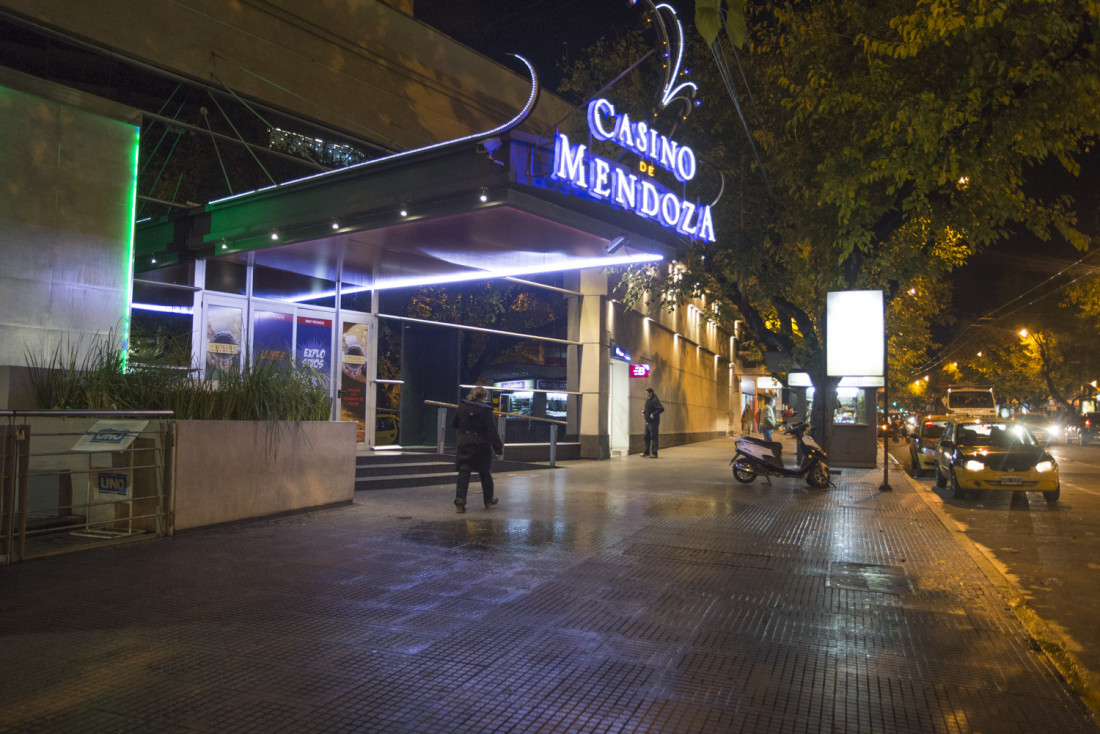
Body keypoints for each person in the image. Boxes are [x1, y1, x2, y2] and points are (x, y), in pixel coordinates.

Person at [452, 386, 503, 513]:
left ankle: (460, 502)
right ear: (483, 397)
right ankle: (488, 499)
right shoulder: (486, 410)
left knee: (464, 471)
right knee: (484, 472)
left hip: (465, 443)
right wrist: (498, 449)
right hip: (481, 445)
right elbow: (492, 431)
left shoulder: (462, 407)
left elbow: (454, 424)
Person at [642, 387, 665, 458]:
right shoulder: (648, 399)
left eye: (647, 393)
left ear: (650, 393)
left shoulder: (654, 400)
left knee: (654, 437)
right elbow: (649, 408)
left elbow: (661, 409)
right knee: (646, 437)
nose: (646, 395)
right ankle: (647, 452)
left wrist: (654, 414)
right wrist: (644, 412)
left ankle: (654, 453)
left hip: (653, 422)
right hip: (647, 421)